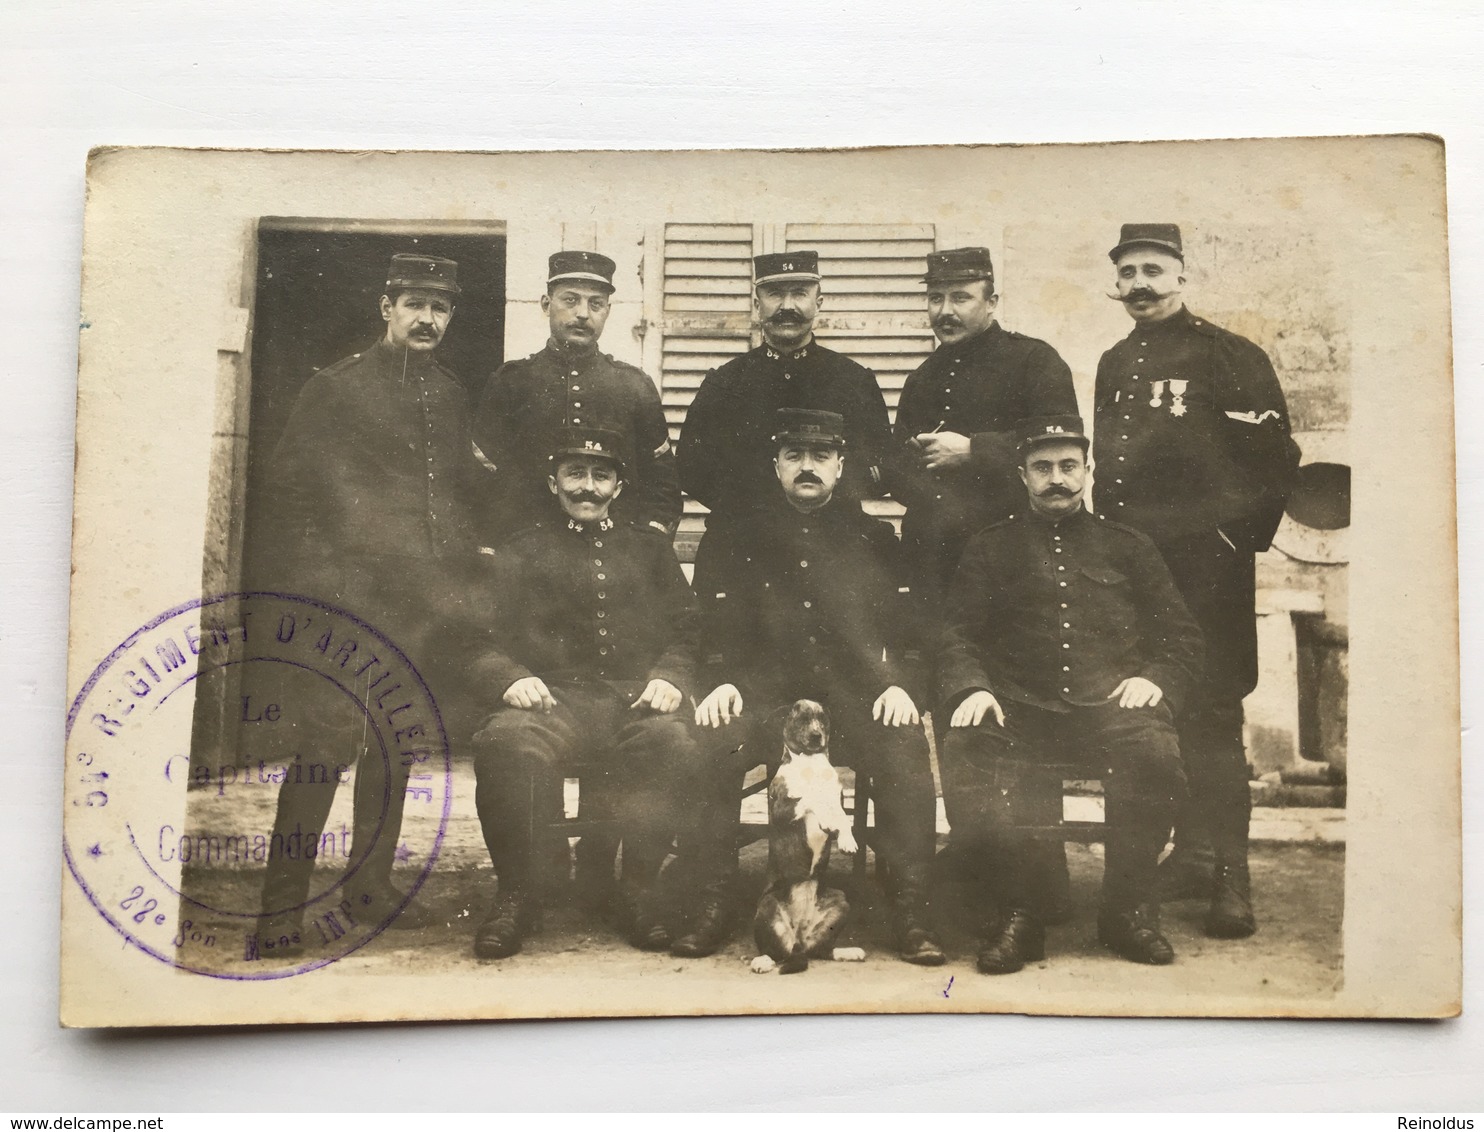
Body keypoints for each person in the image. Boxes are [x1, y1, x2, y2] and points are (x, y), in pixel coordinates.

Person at [253, 253, 484, 952]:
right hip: (343, 603)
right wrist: (321, 591)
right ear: (386, 307)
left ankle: (369, 888)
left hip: (416, 605)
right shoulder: (334, 389)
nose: (427, 318)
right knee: (322, 749)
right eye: (414, 302)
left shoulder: (448, 394)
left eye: (440, 307)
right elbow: (289, 495)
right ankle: (279, 914)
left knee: (395, 747)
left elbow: (446, 498)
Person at [674, 409, 945, 966]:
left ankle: (912, 908)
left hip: (852, 698)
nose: (807, 467)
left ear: (841, 465)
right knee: (706, 746)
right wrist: (719, 680)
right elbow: (703, 622)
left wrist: (902, 687)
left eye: (820, 457)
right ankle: (710, 899)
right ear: (775, 465)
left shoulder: (874, 537)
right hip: (759, 695)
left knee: (903, 747)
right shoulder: (735, 536)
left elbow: (915, 631)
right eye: (794, 456)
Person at [938, 416, 1204, 973]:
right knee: (969, 747)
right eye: (1042, 468)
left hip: (1110, 707)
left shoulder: (1128, 546)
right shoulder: (991, 548)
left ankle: (1127, 910)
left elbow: (1179, 636)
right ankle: (1017, 913)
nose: (1055, 479)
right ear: (1021, 475)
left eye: (1067, 466)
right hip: (1019, 706)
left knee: (1156, 757)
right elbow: (956, 633)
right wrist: (972, 687)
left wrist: (1155, 679)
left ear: (1087, 471)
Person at [1095, 223, 1301, 938]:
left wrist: (1226, 540)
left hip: (1207, 568)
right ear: (1116, 282)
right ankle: (1184, 854)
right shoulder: (1114, 362)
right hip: (1135, 571)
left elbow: (1275, 461)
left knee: (1211, 714)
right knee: (1154, 709)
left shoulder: (1230, 356)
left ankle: (1226, 874)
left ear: (1181, 276)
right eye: (1129, 272)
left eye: (1154, 269)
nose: (1141, 284)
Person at [466, 427, 700, 960]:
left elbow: (689, 630)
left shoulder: (649, 548)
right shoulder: (521, 550)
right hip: (552, 701)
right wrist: (508, 676)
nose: (588, 487)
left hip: (630, 701)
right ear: (554, 483)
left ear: (618, 486)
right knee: (505, 741)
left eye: (601, 476)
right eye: (576, 474)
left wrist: (671, 677)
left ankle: (637, 888)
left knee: (672, 744)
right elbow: (474, 639)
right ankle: (518, 893)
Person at [894, 246, 1078, 611]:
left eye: (960, 298)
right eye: (935, 298)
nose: (945, 312)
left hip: (1014, 557)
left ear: (991, 302)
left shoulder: (1035, 361)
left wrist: (973, 451)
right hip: (933, 562)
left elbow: (1063, 453)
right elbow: (899, 476)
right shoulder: (921, 378)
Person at [677, 251, 895, 535]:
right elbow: (691, 469)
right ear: (757, 304)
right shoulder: (724, 384)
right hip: (744, 540)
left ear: (818, 303)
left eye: (800, 294)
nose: (787, 306)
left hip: (832, 542)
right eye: (775, 294)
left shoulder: (854, 381)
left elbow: (880, 467)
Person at [473, 250, 681, 544]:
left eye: (596, 303)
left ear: (607, 311)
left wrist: (645, 552)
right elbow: (482, 481)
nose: (583, 313)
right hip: (527, 560)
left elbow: (663, 489)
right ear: (547, 304)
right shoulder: (511, 383)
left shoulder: (634, 386)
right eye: (570, 300)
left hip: (616, 557)